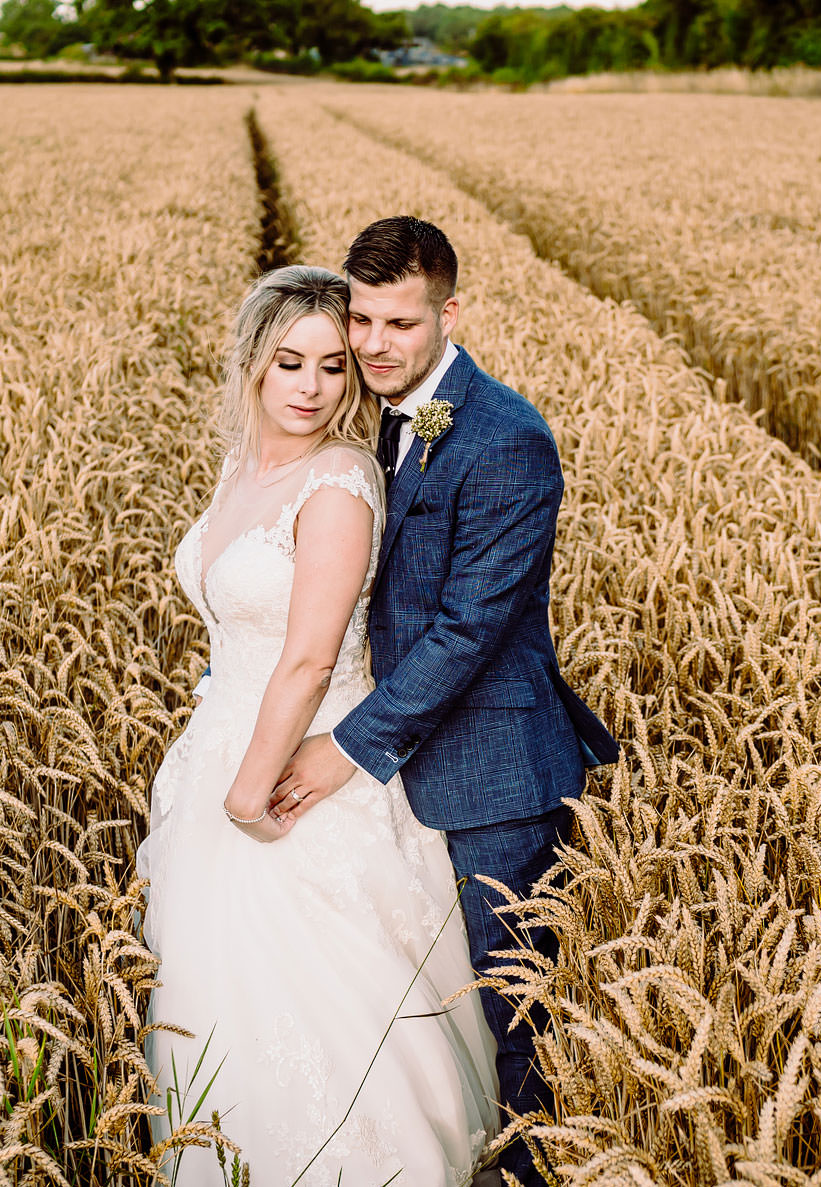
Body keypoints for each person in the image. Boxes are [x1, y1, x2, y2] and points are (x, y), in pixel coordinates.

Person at [271, 217, 620, 1187]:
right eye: (363, 319)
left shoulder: (509, 438)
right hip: (391, 764)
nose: (374, 343)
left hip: (488, 775)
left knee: (509, 1019)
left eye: (400, 322)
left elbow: (468, 627)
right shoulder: (362, 415)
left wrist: (343, 742)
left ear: (449, 313)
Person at [137, 264, 498, 1185]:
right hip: (223, 740)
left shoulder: (338, 480)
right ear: (253, 361)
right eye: (290, 362)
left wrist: (253, 786)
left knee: (329, 1012)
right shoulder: (242, 465)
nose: (311, 387)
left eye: (334, 367)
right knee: (217, 1010)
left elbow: (306, 657)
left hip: (300, 771)